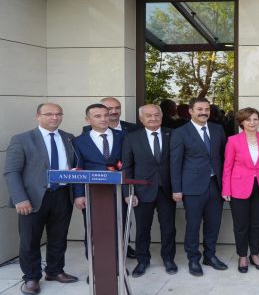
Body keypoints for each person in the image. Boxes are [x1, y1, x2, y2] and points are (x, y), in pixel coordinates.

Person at [3, 103, 79, 294]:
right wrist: (20, 198)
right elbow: (12, 172)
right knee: (30, 240)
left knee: (59, 237)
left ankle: (55, 271)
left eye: (58, 114)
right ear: (38, 115)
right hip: (32, 198)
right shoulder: (22, 139)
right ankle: (31, 277)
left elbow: (75, 165)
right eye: (49, 114)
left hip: (62, 195)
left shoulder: (69, 138)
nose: (54, 117)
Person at [170, 97, 227, 276]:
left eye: (207, 109)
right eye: (200, 109)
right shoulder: (180, 132)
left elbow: (224, 159)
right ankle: (193, 259)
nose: (204, 112)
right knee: (193, 225)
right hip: (192, 187)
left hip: (215, 185)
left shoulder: (218, 130)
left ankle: (210, 256)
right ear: (191, 111)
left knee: (214, 223)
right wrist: (176, 189)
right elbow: (175, 163)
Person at [121, 104, 177, 277]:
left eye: (156, 115)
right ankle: (142, 260)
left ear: (162, 116)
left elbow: (177, 163)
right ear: (141, 118)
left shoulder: (172, 134)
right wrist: (128, 193)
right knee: (142, 229)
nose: (153, 118)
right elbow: (127, 167)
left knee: (168, 228)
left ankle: (168, 259)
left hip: (167, 190)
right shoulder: (132, 138)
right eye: (148, 115)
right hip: (141, 191)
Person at [81, 96, 139, 259]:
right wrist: (79, 194)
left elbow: (129, 162)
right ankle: (94, 264)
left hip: (120, 188)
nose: (107, 116)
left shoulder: (126, 133)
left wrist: (128, 191)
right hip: (94, 191)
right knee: (94, 228)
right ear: (89, 119)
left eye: (114, 109)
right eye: (99, 115)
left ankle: (119, 258)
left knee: (120, 225)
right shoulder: (82, 137)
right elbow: (80, 165)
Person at [222, 108, 259, 273]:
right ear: (241, 123)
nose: (252, 123)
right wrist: (226, 189)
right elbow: (227, 167)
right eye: (248, 120)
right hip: (238, 187)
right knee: (240, 225)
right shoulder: (233, 141)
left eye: (255, 119)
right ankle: (242, 256)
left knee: (257, 224)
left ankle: (254, 254)